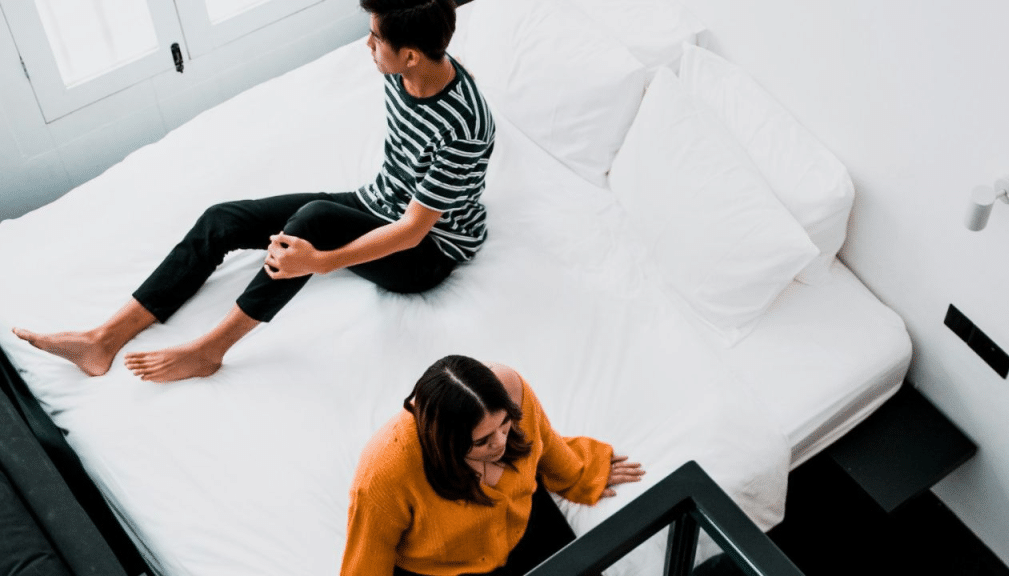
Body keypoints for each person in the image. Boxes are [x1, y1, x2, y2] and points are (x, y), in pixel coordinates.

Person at [12, 0, 493, 382]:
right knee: (224, 218)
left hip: (429, 250)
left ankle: (208, 351)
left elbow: (412, 231)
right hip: (380, 201)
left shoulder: (464, 124)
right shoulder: (403, 72)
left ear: (409, 54)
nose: (367, 44)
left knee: (315, 221)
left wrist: (319, 262)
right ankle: (103, 339)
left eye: (376, 38)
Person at [341, 355, 645, 576]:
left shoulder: (510, 386)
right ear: (447, 442)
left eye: (504, 424)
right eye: (482, 441)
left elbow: (544, 440)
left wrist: (578, 474)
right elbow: (367, 563)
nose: (500, 442)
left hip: (522, 525)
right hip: (445, 568)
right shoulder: (384, 472)